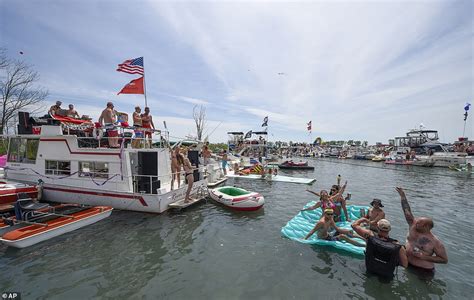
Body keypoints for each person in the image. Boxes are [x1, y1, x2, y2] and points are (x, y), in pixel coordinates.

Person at [396, 187, 448, 277]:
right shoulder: (413, 226)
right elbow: (407, 211)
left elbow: (444, 260)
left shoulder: (435, 242)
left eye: (419, 223)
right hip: (407, 264)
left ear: (427, 227)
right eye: (417, 222)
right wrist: (403, 196)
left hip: (423, 270)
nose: (416, 223)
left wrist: (424, 257)